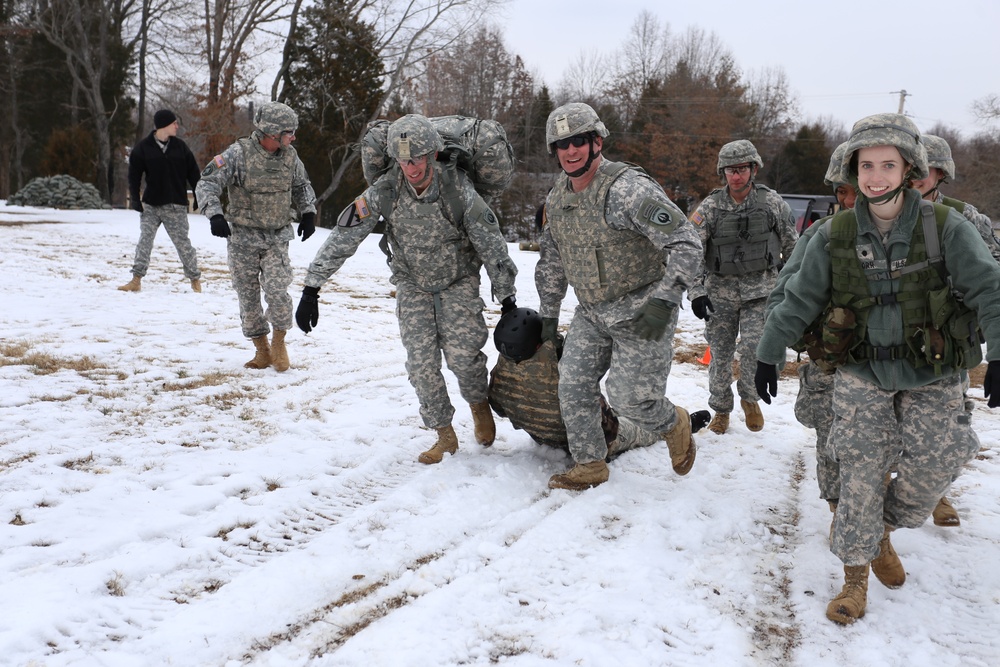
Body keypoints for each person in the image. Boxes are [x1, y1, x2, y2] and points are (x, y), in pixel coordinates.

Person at [754, 113, 1000, 625]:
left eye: (888, 164)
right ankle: (854, 578)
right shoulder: (835, 234)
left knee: (941, 460)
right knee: (860, 472)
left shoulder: (947, 227)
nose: (876, 176)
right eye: (867, 165)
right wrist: (767, 352)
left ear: (910, 169)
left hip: (932, 374)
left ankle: (881, 526)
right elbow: (797, 297)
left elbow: (989, 289)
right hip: (861, 374)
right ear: (853, 170)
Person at [295, 114, 517, 465]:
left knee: (463, 357)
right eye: (403, 160)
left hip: (458, 280)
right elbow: (344, 236)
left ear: (432, 154)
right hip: (412, 281)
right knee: (420, 362)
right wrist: (312, 288)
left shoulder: (457, 187)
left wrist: (507, 299)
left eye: (416, 159)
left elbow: (491, 243)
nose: (410, 167)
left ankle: (478, 404)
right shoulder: (386, 189)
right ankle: (444, 434)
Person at [534, 102, 702, 491]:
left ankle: (674, 423)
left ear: (596, 142)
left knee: (631, 402)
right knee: (572, 385)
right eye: (561, 145)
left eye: (578, 141)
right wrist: (547, 317)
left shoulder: (627, 189)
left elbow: (686, 242)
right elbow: (552, 261)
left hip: (643, 309)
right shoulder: (558, 199)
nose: (570, 151)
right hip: (593, 311)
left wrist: (666, 299)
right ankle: (590, 463)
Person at [909, 133, 1000, 527]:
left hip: (949, 340)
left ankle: (938, 492)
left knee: (950, 424)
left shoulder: (967, 217)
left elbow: (992, 276)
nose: (916, 177)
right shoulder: (884, 213)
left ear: (941, 173)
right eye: (910, 167)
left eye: (925, 169)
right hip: (892, 336)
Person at [195, 101, 317, 373]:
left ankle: (279, 342)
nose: (293, 137)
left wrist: (308, 211)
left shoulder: (290, 156)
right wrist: (214, 214)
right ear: (272, 133)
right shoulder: (238, 154)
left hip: (276, 237)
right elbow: (207, 183)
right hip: (243, 239)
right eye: (289, 132)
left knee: (277, 290)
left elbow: (302, 185)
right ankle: (261, 350)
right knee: (248, 297)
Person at [766, 142, 853, 519]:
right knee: (830, 437)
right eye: (841, 191)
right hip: (832, 359)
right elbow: (783, 294)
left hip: (890, 364)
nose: (849, 199)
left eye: (854, 189)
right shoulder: (821, 234)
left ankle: (871, 515)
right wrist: (777, 347)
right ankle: (839, 511)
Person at [688, 140, 798, 435]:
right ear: (722, 172)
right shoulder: (710, 207)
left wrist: (791, 289)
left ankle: (750, 398)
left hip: (760, 291)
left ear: (753, 169)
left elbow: (793, 248)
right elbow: (691, 251)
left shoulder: (772, 203)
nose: (735, 176)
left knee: (754, 348)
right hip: (719, 293)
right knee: (720, 354)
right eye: (729, 170)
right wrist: (696, 292)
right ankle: (721, 409)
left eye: (741, 169)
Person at [118, 109, 203, 293]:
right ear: (164, 125)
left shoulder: (180, 147)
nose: (177, 126)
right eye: (174, 123)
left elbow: (194, 173)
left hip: (175, 205)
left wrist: (198, 196)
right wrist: (135, 199)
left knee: (183, 244)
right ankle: (136, 279)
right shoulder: (143, 148)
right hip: (151, 205)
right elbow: (134, 177)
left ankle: (195, 280)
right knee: (145, 241)